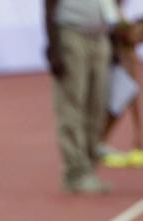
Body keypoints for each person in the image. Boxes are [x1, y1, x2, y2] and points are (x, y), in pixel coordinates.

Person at [45, 0, 117, 194]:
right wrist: (54, 48)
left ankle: (89, 168)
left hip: (101, 35)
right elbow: (49, 5)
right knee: (72, 105)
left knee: (97, 106)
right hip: (72, 34)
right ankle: (75, 173)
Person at [100, 13, 143, 165]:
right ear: (137, 23)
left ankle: (99, 142)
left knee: (124, 92)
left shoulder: (129, 51)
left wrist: (138, 132)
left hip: (104, 75)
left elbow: (133, 91)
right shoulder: (118, 27)